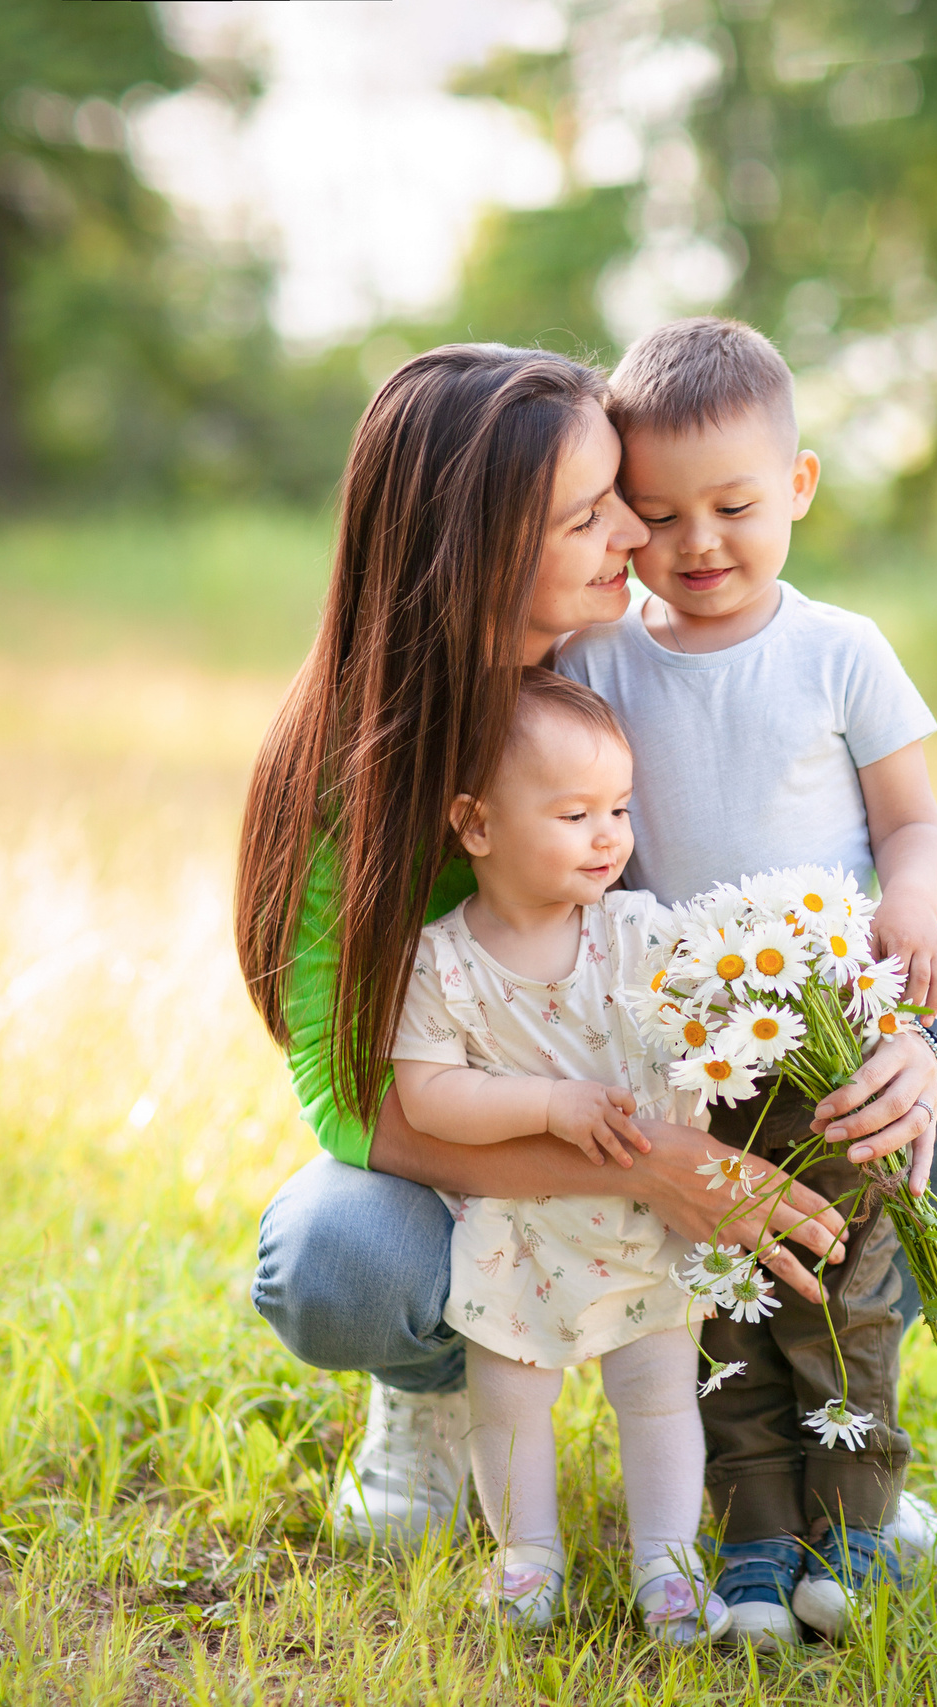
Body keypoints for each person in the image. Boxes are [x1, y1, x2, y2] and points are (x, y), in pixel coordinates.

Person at [235, 345, 937, 1575]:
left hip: (697, 1083)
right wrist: (663, 1167)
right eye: (600, 510)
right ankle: (438, 1389)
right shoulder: (350, 763)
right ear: (485, 542)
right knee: (341, 1256)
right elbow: (351, 1098)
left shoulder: (643, 667)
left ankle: (826, 1437)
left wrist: (920, 1028)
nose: (640, 533)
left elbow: (874, 847)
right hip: (497, 1137)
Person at [555, 316, 937, 1646]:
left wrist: (914, 920)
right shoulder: (603, 664)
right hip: (682, 1050)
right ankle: (756, 1529)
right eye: (658, 512)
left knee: (849, 1282)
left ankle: (856, 1520)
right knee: (721, 1296)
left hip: (828, 1031)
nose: (698, 540)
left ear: (800, 487)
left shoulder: (840, 650)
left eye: (736, 505)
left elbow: (914, 823)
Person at [385, 670, 724, 1639]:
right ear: (477, 826)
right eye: (574, 813)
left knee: (658, 1394)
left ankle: (667, 1565)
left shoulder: (641, 932)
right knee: (509, 1397)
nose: (609, 834)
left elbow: (708, 1029)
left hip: (638, 1222)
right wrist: (548, 1105)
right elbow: (429, 1097)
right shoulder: (440, 960)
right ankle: (527, 1556)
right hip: (516, 1223)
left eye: (618, 807)